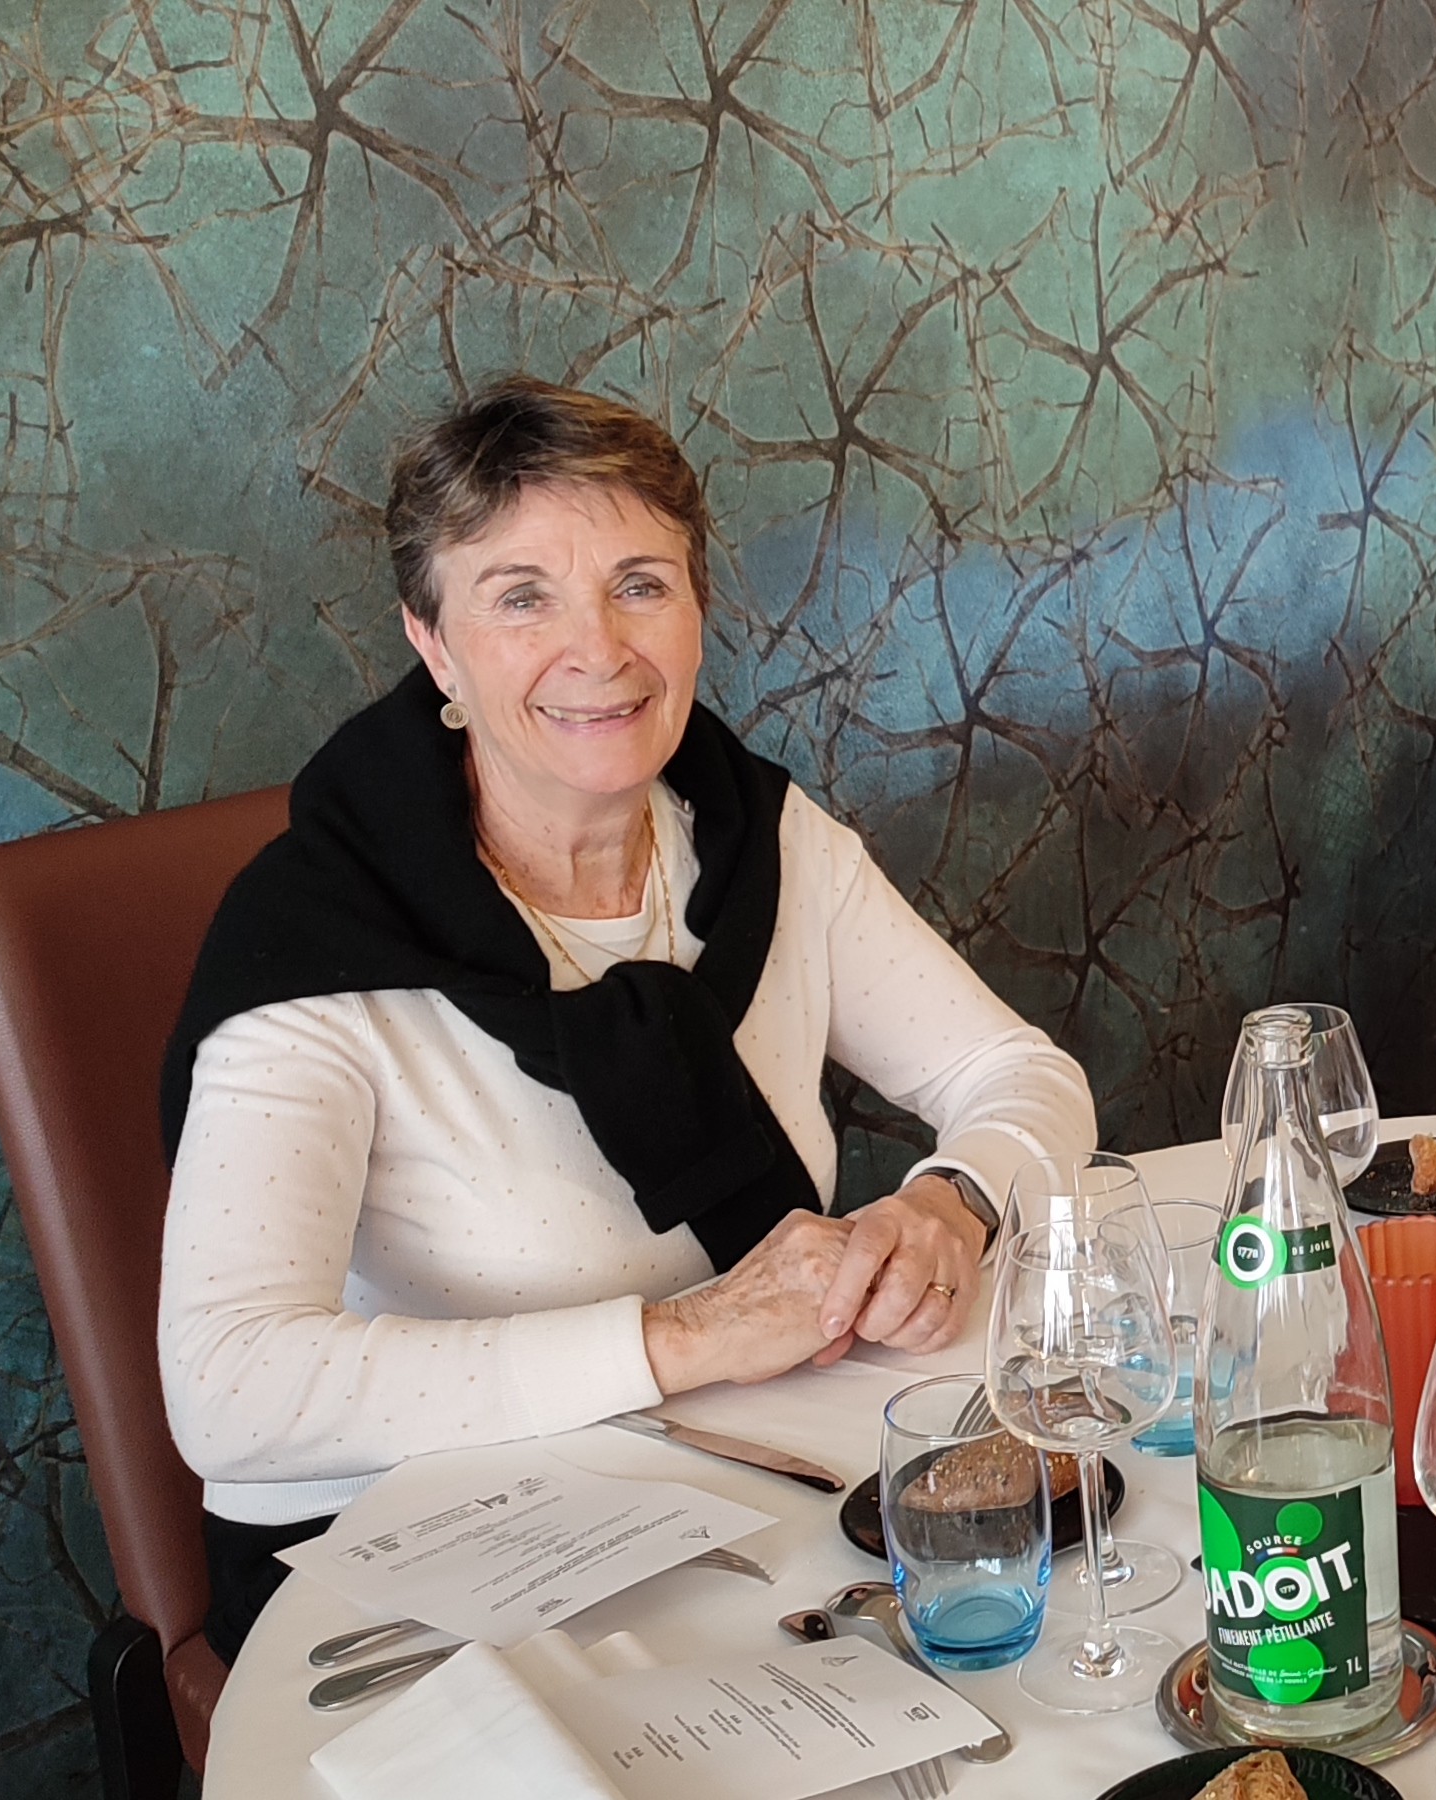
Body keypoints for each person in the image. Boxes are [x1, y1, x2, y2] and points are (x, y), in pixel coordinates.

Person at [156, 377, 1097, 1657]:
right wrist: (686, 1337)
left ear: (698, 610)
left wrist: (952, 1203)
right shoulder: (317, 941)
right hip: (407, 1562)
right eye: (521, 597)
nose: (598, 651)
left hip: (729, 1495)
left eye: (640, 584)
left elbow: (1019, 1073)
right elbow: (229, 1389)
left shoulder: (758, 840)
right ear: (434, 645)